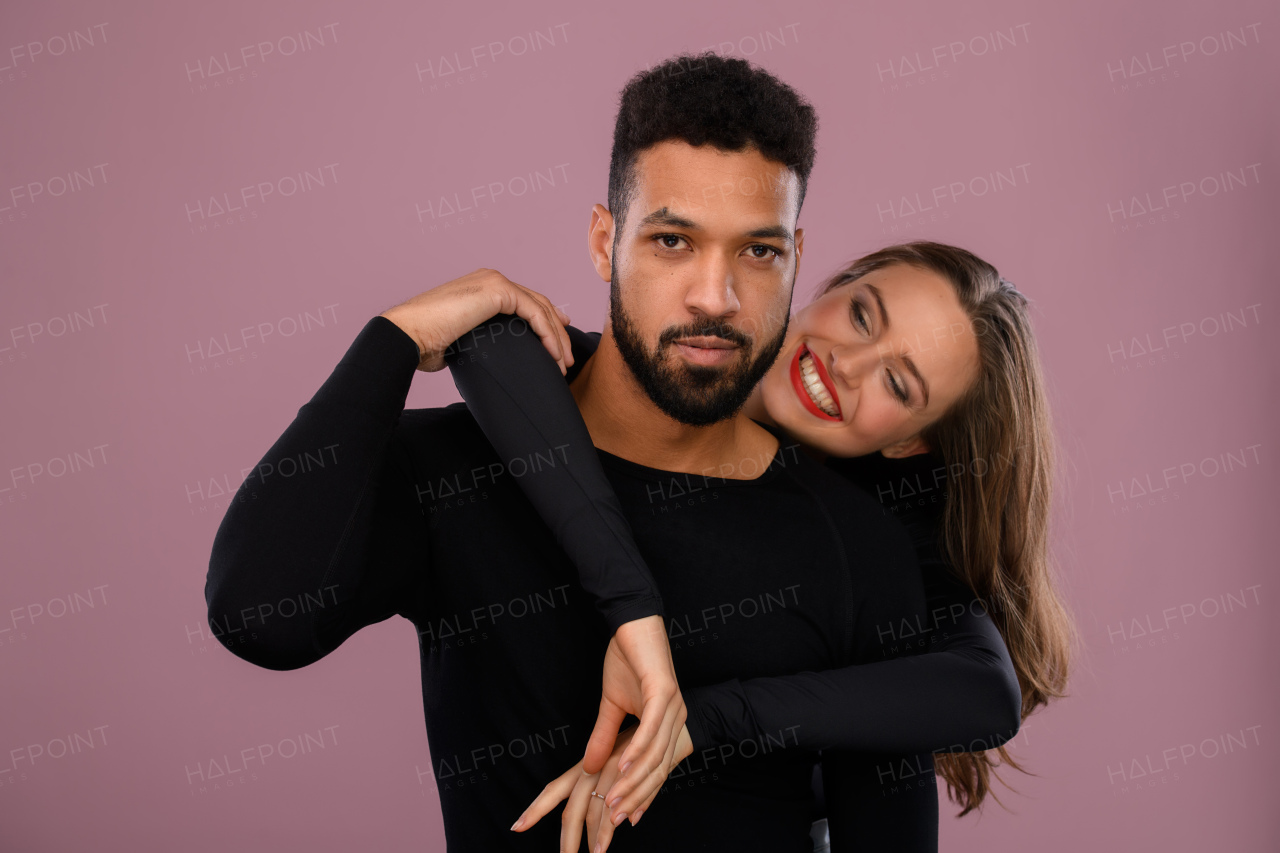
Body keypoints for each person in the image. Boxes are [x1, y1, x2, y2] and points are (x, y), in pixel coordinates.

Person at [203, 53, 1021, 853]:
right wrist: (392, 339)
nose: (714, 295)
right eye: (672, 241)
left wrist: (707, 719)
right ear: (604, 241)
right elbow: (259, 617)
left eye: (758, 251)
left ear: (796, 259)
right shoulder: (463, 467)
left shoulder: (860, 547)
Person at [450, 244, 1072, 852]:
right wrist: (631, 602)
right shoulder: (680, 371)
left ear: (911, 444)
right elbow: (492, 341)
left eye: (897, 383)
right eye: (861, 316)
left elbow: (987, 692)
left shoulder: (885, 542)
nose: (847, 364)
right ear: (829, 287)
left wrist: (707, 720)